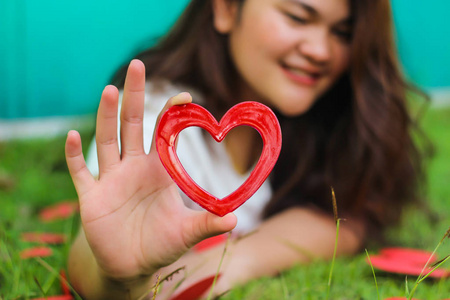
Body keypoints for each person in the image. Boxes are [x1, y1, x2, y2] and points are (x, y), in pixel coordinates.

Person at [65, 0, 426, 298]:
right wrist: (115, 278)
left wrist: (240, 257)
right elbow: (101, 254)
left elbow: (347, 219)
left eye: (343, 32)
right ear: (225, 9)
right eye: (298, 17)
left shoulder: (319, 118)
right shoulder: (160, 126)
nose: (320, 50)